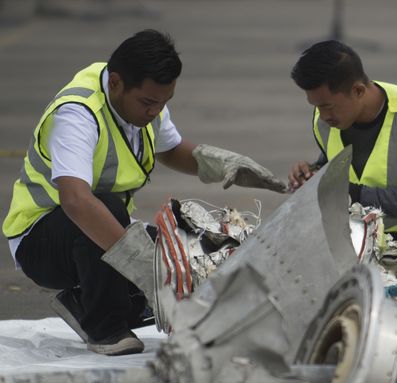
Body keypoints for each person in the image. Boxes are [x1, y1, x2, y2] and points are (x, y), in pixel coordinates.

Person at [2, 29, 287, 356]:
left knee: (188, 255)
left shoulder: (143, 100)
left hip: (102, 227)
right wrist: (141, 266)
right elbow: (76, 201)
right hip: (40, 242)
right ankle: (103, 327)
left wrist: (226, 166)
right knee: (118, 224)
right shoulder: (77, 113)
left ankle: (87, 301)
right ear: (116, 83)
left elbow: (171, 149)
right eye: (149, 103)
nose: (155, 112)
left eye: (164, 103)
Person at [288, 40, 397, 242]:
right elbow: (339, 164)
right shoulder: (326, 121)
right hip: (359, 244)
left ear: (358, 91)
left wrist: (354, 195)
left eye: (328, 106)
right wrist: (313, 174)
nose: (323, 115)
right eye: (316, 105)